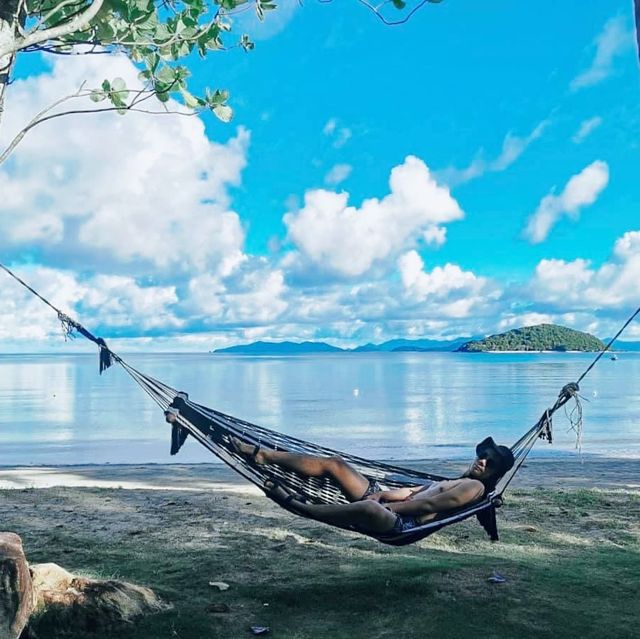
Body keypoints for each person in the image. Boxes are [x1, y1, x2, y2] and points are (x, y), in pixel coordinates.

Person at [229, 436, 514, 537]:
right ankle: (262, 455)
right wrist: (382, 493)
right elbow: (416, 492)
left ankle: (301, 507)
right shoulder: (460, 479)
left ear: (493, 474)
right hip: (390, 505)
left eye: (490, 464)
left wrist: (388, 505)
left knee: (366, 507)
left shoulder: (473, 490)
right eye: (483, 457)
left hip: (402, 522)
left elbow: (428, 506)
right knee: (336, 464)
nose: (483, 463)